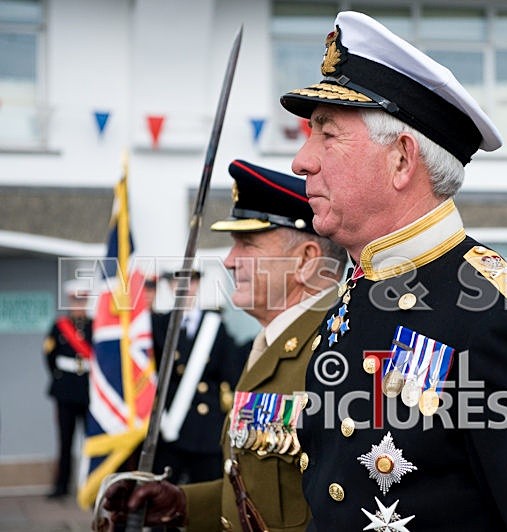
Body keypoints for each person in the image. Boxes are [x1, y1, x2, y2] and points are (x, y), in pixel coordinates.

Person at [281, 11, 507, 530]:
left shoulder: (498, 320)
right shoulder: (362, 288)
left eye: (327, 135)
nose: (301, 160)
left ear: (402, 161)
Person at [101, 160, 346, 531]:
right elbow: (261, 490)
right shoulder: (274, 343)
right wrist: (181, 502)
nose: (230, 261)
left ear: (307, 260)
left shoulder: (336, 351)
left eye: (247, 244)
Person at [150, 268, 237, 485]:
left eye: (191, 280)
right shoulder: (158, 325)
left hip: (205, 425)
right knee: (163, 494)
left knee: (207, 491)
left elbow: (229, 370)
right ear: (170, 286)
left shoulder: (215, 324)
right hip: (169, 421)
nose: (185, 287)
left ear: (198, 284)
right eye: (178, 281)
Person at [43, 279, 93, 498]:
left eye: (83, 299)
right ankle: (61, 486)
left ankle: (90, 485)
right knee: (65, 441)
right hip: (65, 391)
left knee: (91, 442)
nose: (79, 304)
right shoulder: (59, 326)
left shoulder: (95, 325)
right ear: (69, 300)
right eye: (75, 299)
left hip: (89, 392)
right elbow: (49, 356)